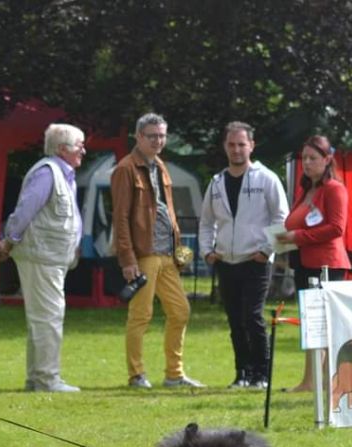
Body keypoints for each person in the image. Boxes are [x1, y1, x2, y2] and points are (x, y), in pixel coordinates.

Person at [0, 124, 84, 392]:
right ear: (62, 149)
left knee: (44, 317)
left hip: (49, 258)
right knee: (48, 318)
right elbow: (24, 211)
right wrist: (9, 241)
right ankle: (46, 379)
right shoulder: (48, 172)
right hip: (42, 258)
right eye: (79, 145)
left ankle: (38, 378)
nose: (83, 151)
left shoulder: (62, 173)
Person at [111, 113, 204, 390]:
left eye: (162, 135)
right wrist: (128, 259)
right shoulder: (125, 169)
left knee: (180, 311)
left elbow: (169, 213)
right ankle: (137, 375)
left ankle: (174, 374)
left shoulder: (161, 166)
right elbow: (121, 218)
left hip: (167, 254)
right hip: (144, 254)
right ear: (138, 137)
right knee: (141, 315)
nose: (158, 141)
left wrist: (180, 253)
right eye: (152, 136)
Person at [199, 121, 289, 390]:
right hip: (226, 261)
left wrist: (267, 251)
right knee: (235, 320)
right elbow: (206, 222)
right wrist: (207, 251)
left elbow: (282, 217)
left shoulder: (267, 178)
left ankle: (262, 374)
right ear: (225, 147)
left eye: (241, 144)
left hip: (256, 261)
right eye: (231, 144)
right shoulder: (216, 183)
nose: (236, 150)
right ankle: (242, 373)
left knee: (253, 316)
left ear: (252, 145)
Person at [275, 136, 351, 393]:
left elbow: (336, 227)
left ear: (327, 160)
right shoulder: (307, 189)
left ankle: (328, 380)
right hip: (304, 263)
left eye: (313, 158)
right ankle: (309, 381)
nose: (306, 163)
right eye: (304, 158)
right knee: (310, 323)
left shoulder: (334, 188)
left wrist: (298, 237)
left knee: (325, 323)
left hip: (326, 265)